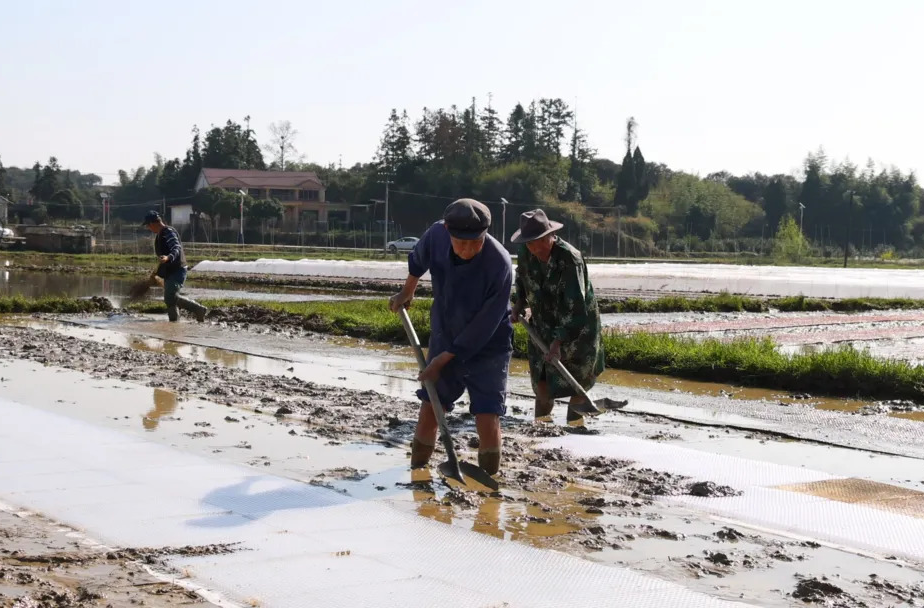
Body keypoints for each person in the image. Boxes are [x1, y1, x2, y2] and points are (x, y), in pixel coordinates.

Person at [389, 198, 513, 476]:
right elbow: (418, 260)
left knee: (487, 414)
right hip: (447, 330)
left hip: (489, 344)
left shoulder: (500, 263)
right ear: (448, 230)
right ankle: (418, 471)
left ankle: (488, 478)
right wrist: (408, 289)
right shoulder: (436, 235)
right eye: (461, 243)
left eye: (475, 242)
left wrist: (445, 358)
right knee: (431, 407)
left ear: (485, 234)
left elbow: (487, 323)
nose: (468, 250)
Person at [510, 209, 605, 425]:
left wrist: (558, 341)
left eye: (538, 243)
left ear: (550, 237)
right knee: (542, 382)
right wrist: (519, 304)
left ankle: (575, 427)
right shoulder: (527, 252)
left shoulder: (571, 259)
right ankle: (543, 428)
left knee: (578, 381)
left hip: (577, 329)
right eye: (529, 244)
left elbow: (575, 307)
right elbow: (522, 278)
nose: (534, 249)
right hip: (543, 323)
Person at [142, 210, 207, 323]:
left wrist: (168, 257)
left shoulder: (168, 232)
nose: (148, 228)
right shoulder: (160, 234)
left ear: (153, 223)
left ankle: (198, 309)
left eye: (148, 225)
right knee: (170, 300)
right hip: (169, 271)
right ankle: (174, 323)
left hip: (177, 270)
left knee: (170, 296)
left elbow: (176, 247)